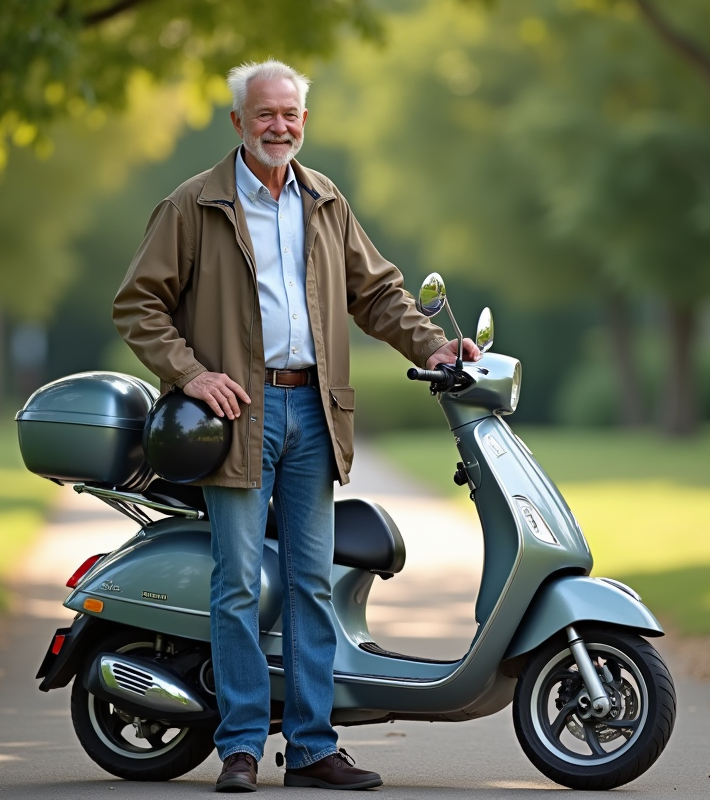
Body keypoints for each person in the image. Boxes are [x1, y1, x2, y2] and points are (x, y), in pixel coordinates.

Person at [113, 59, 479, 793]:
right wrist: (192, 374)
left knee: (311, 582)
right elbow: (138, 305)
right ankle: (241, 746)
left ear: (303, 121)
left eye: (290, 114)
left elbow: (377, 294)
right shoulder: (193, 205)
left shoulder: (326, 200)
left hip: (315, 410)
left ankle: (311, 748)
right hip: (236, 418)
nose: (278, 126)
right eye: (265, 114)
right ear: (238, 122)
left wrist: (434, 347)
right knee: (238, 583)